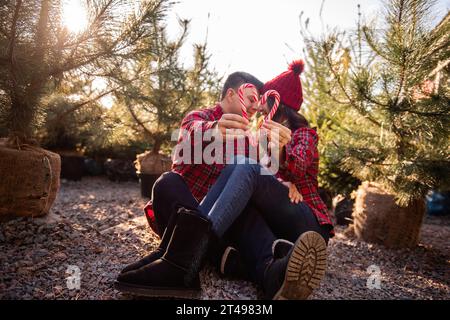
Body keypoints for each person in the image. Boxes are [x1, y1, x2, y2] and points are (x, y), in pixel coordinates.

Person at [116, 60, 334, 300]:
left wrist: (283, 178)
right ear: (232, 94)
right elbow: (186, 139)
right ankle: (208, 257)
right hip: (192, 211)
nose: (255, 108)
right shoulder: (201, 117)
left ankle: (196, 262)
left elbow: (260, 177)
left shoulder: (254, 139)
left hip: (226, 218)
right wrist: (213, 130)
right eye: (251, 99)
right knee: (167, 183)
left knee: (246, 203)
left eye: (259, 102)